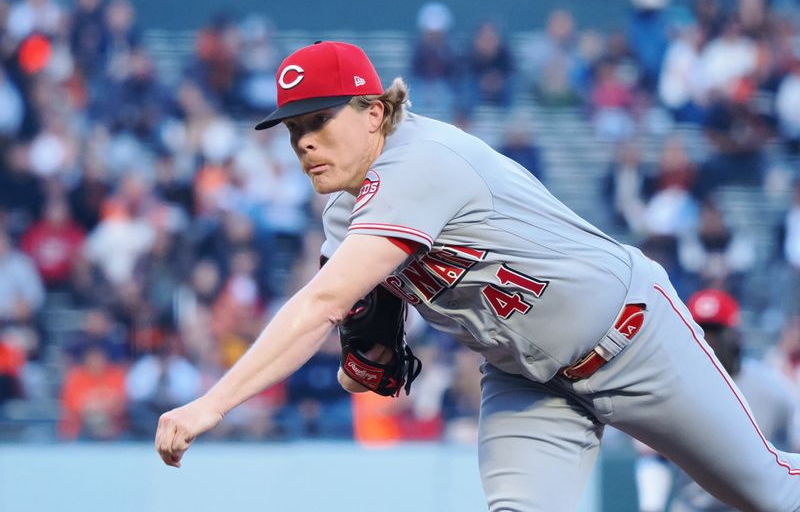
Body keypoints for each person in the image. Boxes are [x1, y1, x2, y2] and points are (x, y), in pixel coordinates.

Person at [155, 41, 800, 511]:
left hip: (633, 338)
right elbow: (353, 327)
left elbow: (322, 302)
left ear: (373, 112)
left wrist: (212, 403)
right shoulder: (343, 215)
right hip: (526, 378)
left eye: (319, 121)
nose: (303, 142)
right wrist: (369, 347)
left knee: (770, 494)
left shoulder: (420, 163)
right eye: (294, 129)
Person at [634, 289, 800, 512]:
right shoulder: (674, 385)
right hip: (693, 507)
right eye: (702, 332)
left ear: (736, 335)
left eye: (716, 333)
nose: (709, 342)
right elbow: (652, 457)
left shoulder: (771, 388)